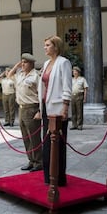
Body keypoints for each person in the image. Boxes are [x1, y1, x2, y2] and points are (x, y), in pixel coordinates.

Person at [37, 35, 72, 186]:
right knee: (47, 145)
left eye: (47, 45)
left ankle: (58, 179)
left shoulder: (63, 62)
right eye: (44, 45)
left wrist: (65, 108)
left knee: (57, 144)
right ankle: (48, 177)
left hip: (58, 109)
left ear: (56, 47)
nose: (45, 47)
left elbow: (67, 87)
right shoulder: (46, 63)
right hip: (46, 106)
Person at [8, 53, 42, 172]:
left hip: (32, 108)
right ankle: (31, 160)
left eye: (25, 62)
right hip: (22, 109)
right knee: (26, 137)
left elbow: (42, 95)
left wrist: (40, 111)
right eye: (22, 62)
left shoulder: (36, 76)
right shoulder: (20, 75)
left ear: (31, 64)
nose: (22, 64)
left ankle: (39, 162)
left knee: (34, 137)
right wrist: (17, 66)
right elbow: (9, 75)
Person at [70, 66, 88, 130]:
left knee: (79, 111)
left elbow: (85, 89)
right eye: (73, 71)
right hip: (72, 96)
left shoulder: (82, 79)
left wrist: (85, 98)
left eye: (75, 71)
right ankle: (74, 124)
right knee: (73, 111)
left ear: (78, 72)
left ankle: (79, 124)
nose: (74, 72)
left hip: (79, 95)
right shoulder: (71, 79)